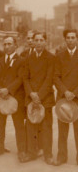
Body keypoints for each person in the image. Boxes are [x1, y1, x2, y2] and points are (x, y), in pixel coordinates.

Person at [22, 32, 56, 164]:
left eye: (41, 40)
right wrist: (31, 94)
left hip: (45, 98)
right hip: (31, 97)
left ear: (45, 42)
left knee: (46, 127)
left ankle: (48, 154)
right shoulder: (28, 58)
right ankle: (31, 152)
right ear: (33, 42)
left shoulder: (51, 58)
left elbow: (49, 79)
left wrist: (39, 96)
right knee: (30, 126)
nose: (39, 42)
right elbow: (25, 78)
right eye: (36, 40)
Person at [0, 35, 26, 160]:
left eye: (9, 44)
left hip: (16, 97)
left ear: (15, 45)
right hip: (0, 97)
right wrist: (0, 90)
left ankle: (21, 151)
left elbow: (21, 78)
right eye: (5, 44)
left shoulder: (22, 61)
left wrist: (8, 90)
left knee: (19, 125)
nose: (7, 46)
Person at [54, 29, 78, 165]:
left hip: (77, 97)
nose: (70, 40)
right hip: (63, 98)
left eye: (73, 37)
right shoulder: (59, 56)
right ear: (65, 39)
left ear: (77, 39)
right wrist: (65, 92)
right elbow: (55, 77)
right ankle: (62, 156)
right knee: (62, 129)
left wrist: (74, 92)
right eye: (68, 38)